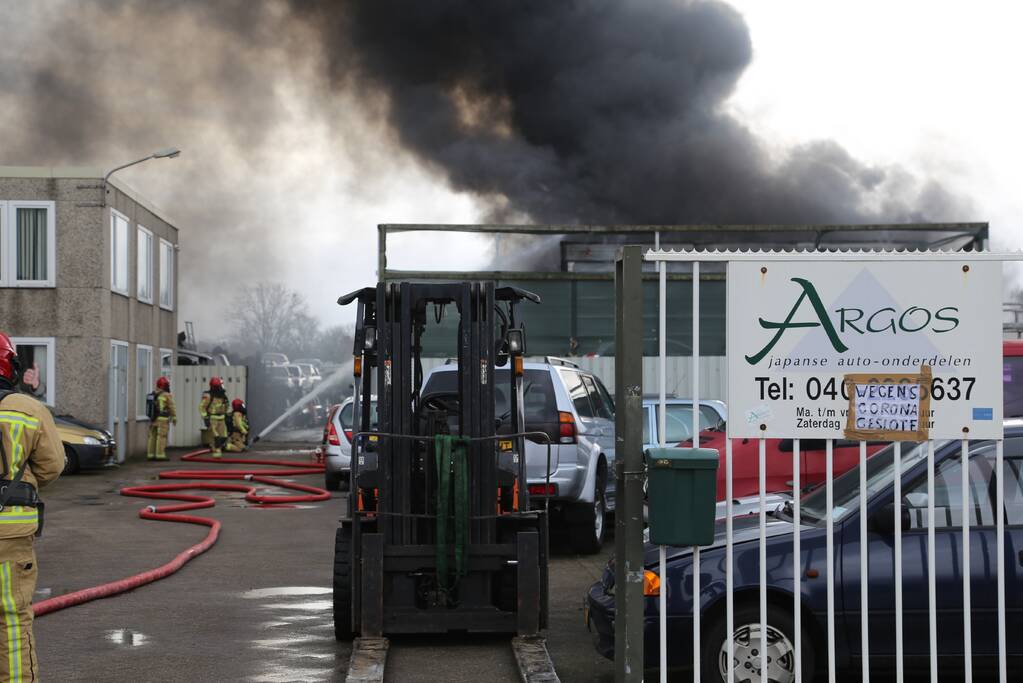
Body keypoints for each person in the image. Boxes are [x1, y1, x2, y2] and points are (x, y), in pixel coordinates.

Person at [0, 332, 63, 680]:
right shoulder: (27, 409)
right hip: (10, 536)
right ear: (10, 366)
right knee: (10, 618)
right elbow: (52, 467)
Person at [146, 376, 177, 461]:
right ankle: (160, 455)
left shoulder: (153, 394)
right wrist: (174, 417)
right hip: (163, 420)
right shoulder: (167, 395)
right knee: (162, 437)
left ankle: (150, 454)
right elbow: (171, 407)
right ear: (165, 385)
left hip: (153, 419)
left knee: (152, 437)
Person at [201, 377, 230, 457]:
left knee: (224, 437)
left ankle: (215, 448)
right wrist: (205, 417)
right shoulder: (208, 396)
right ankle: (217, 452)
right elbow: (202, 407)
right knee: (216, 436)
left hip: (222, 419)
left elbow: (226, 406)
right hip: (213, 419)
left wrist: (226, 414)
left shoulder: (223, 396)